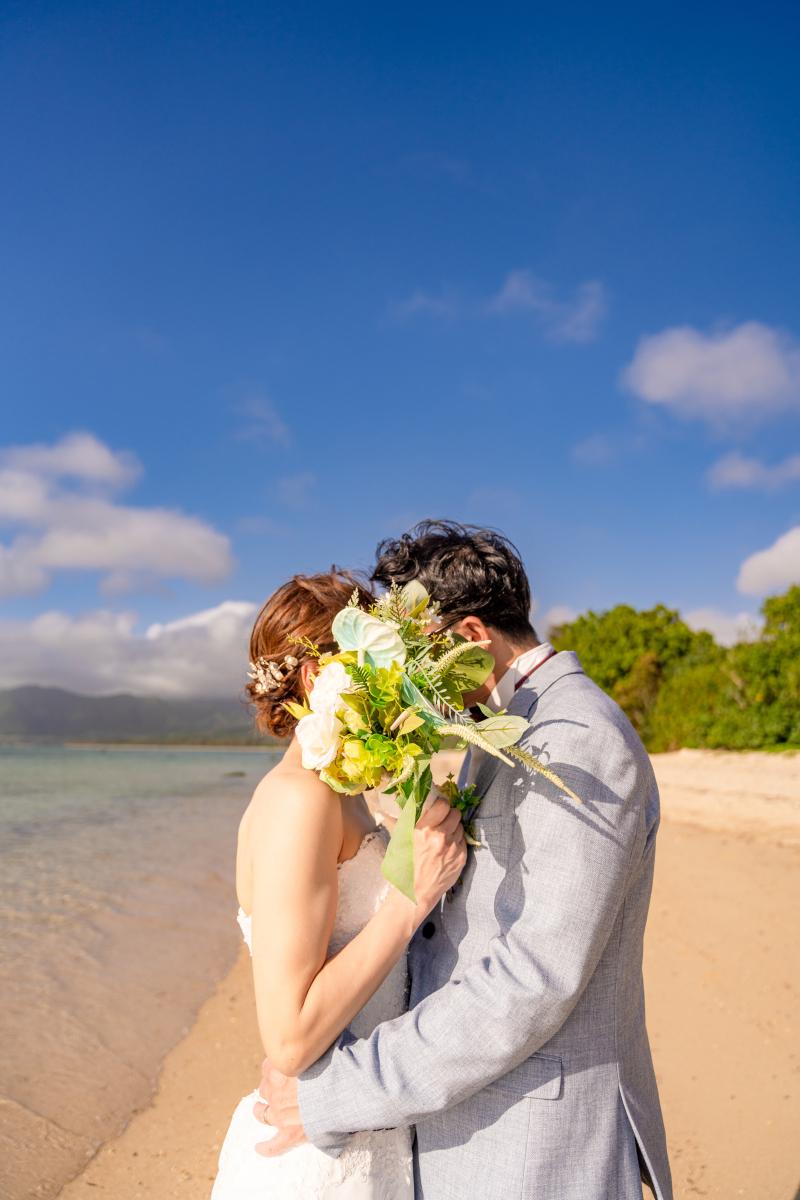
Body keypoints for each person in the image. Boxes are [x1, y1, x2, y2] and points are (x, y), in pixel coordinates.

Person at [255, 522, 673, 1200]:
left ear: (473, 638)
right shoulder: (513, 725)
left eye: (420, 651)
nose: (406, 676)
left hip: (537, 1150)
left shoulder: (578, 738)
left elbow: (533, 976)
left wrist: (340, 1092)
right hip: (470, 1123)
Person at [210, 567, 467, 1200]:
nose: (393, 685)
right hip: (319, 1161)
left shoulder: (343, 795)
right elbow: (290, 1039)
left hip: (361, 1123)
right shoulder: (298, 803)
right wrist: (411, 901)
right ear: (313, 679)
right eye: (375, 665)